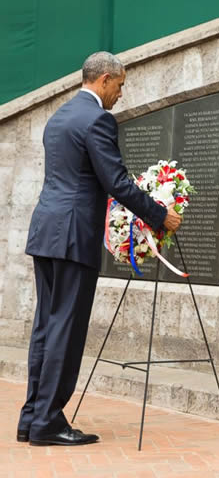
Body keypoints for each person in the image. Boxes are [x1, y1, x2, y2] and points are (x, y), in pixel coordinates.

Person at [17, 51, 182, 446]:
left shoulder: (58, 117)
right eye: (120, 86)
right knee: (65, 330)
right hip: (74, 236)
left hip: (47, 231)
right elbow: (117, 183)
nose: (120, 95)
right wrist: (160, 215)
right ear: (105, 79)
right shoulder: (98, 119)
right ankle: (49, 422)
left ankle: (32, 417)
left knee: (46, 325)